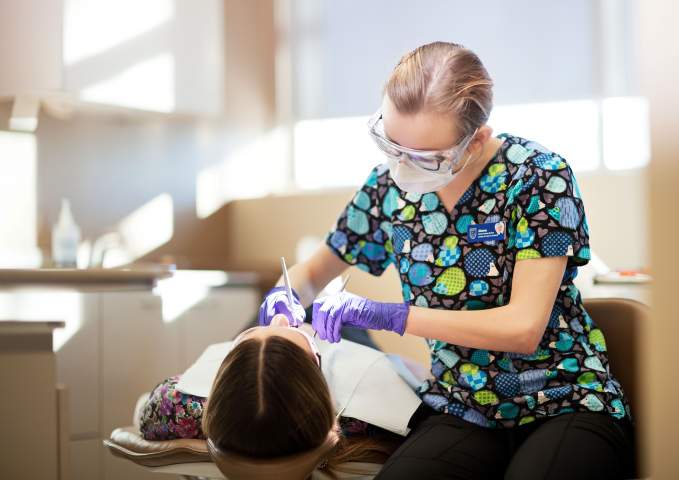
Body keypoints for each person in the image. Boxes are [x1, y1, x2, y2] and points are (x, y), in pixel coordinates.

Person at [258, 41, 636, 479]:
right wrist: (284, 297)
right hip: (461, 406)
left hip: (564, 399)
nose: (402, 167)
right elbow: (313, 273)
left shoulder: (538, 176)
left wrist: (391, 316)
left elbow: (523, 328)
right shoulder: (386, 189)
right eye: (391, 146)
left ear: (477, 141)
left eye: (425, 158)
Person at [139, 314, 426, 479]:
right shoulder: (375, 418)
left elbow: (143, 408)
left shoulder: (178, 408)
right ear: (318, 383)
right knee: (336, 317)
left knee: (269, 316)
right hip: (344, 339)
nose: (280, 319)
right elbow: (417, 383)